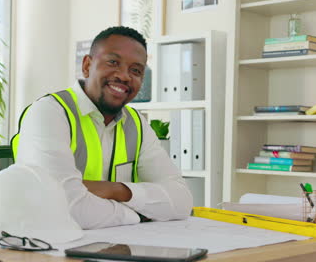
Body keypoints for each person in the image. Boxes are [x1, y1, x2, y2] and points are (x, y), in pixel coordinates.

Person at [12, 26, 193, 229]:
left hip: (114, 246)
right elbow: (62, 207)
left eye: (136, 70)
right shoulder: (50, 112)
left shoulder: (136, 123)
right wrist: (138, 215)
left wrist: (117, 190)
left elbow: (182, 201)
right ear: (87, 65)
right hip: (47, 248)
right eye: (113, 62)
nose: (124, 76)